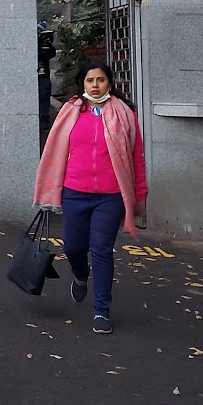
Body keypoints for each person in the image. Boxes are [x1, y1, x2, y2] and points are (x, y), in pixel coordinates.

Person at [33, 62, 148, 335]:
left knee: (101, 250)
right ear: (82, 83)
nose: (95, 85)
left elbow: (137, 158)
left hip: (111, 196)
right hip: (75, 192)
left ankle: (101, 310)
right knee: (73, 247)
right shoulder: (71, 111)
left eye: (100, 80)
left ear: (110, 83)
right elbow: (55, 150)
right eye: (90, 80)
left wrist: (140, 194)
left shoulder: (125, 114)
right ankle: (80, 274)